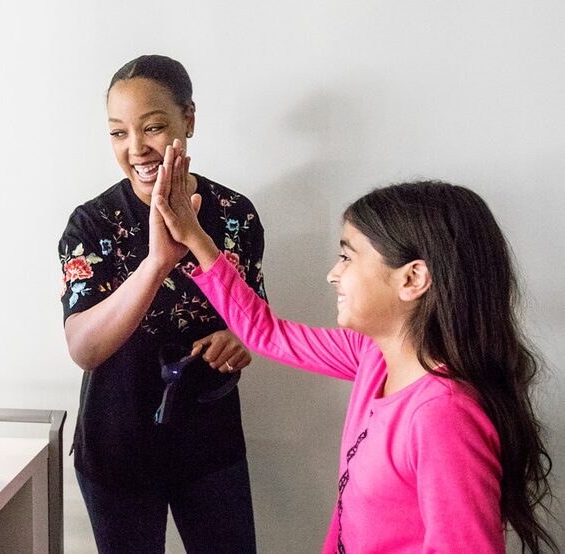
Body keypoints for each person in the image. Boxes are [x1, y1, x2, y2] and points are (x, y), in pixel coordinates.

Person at [153, 162, 560, 552]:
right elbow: (266, 333)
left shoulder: (442, 416)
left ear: (412, 278)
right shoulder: (373, 356)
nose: (333, 274)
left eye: (347, 257)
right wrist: (194, 239)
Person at [58, 55, 265, 553]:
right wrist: (156, 262)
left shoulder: (236, 215)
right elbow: (84, 349)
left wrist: (238, 339)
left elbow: (256, 321)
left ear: (188, 119)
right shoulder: (92, 225)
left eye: (152, 127)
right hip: (118, 446)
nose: (136, 149)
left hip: (210, 446)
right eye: (118, 133)